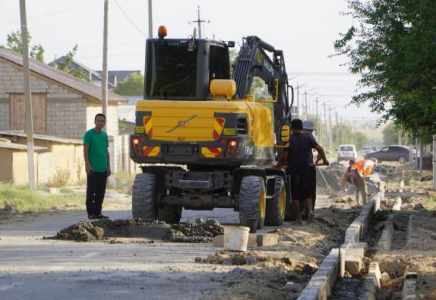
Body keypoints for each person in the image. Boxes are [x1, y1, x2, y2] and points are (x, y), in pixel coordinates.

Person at [275, 119, 329, 224]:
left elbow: (285, 156)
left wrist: (277, 166)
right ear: (301, 128)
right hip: (307, 168)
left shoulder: (289, 140)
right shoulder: (308, 138)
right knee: (308, 193)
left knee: (295, 195)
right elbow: (320, 149)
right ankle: (310, 212)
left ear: (291, 128)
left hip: (294, 170)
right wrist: (325, 160)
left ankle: (298, 219)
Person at [83, 113, 111, 220]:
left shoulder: (104, 135)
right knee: (91, 191)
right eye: (98, 120)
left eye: (102, 121)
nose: (100, 123)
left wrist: (108, 166)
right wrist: (87, 165)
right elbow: (85, 150)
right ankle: (91, 212)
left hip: (103, 169)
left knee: (101, 192)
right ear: (94, 122)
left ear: (104, 123)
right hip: (93, 169)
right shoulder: (89, 134)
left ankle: (98, 212)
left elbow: (106, 151)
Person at [303, 120, 316, 214]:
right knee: (310, 190)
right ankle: (310, 211)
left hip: (302, 166)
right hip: (309, 166)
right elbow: (319, 149)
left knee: (303, 190)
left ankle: (305, 211)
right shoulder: (310, 137)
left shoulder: (305, 136)